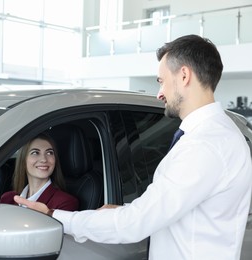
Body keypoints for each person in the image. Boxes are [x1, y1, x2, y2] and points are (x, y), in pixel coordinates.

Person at [14, 34, 252, 260]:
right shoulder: (216, 136)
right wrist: (124, 209)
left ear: (184, 76)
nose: (159, 93)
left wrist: (52, 216)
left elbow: (134, 224)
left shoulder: (205, 144)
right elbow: (178, 206)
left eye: (161, 81)